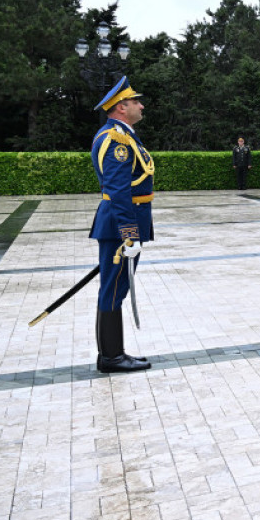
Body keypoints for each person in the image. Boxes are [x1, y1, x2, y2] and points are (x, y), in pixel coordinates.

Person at [89, 76, 153, 373]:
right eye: (135, 101)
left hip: (124, 224)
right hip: (120, 226)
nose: (141, 105)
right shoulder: (115, 140)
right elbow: (118, 191)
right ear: (121, 107)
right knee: (113, 289)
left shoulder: (125, 136)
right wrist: (130, 235)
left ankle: (113, 353)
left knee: (116, 286)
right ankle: (111, 357)